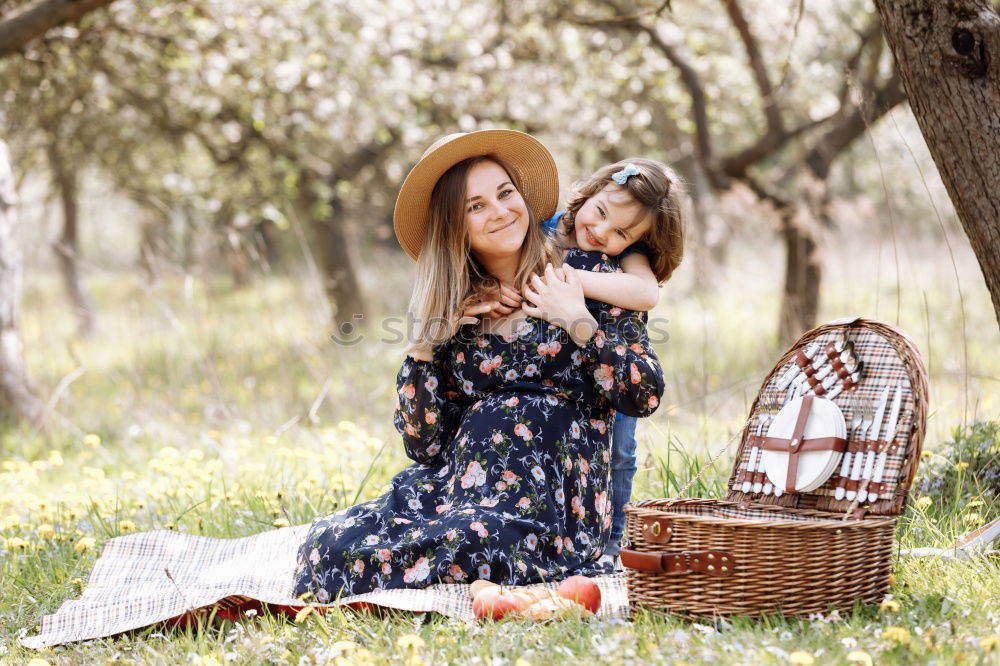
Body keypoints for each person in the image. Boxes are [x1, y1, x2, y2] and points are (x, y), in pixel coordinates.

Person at [293, 130, 665, 600]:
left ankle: (518, 587)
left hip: (550, 502)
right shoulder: (463, 307)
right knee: (327, 547)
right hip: (459, 490)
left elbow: (643, 394)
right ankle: (495, 587)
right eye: (476, 206)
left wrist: (577, 321)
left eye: (506, 193)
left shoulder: (591, 277)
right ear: (455, 226)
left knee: (476, 543)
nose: (501, 211)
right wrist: (426, 343)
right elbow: (423, 444)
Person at [467, 158, 686, 562]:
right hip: (546, 370)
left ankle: (612, 541)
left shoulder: (627, 256)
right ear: (591, 191)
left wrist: (573, 281)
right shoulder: (543, 223)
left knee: (619, 448)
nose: (601, 232)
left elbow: (646, 293)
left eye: (621, 232)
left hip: (607, 360)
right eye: (600, 213)